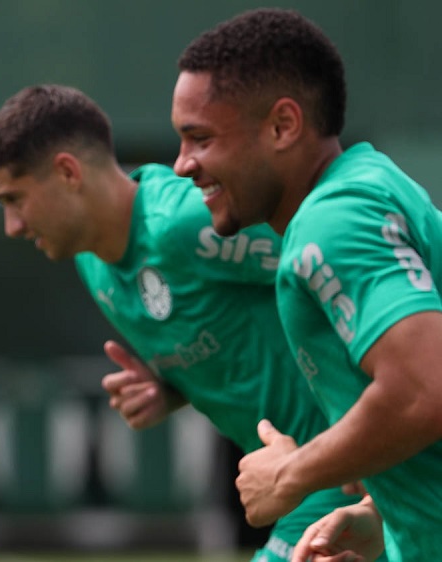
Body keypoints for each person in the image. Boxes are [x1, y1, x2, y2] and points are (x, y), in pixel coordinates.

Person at [0, 84, 368, 562]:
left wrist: (384, 427)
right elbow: (233, 328)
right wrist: (172, 389)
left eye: (15, 199)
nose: (13, 226)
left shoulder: (188, 223)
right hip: (303, 485)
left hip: (350, 470)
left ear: (67, 172)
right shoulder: (92, 263)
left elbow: (357, 259)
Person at [171, 7, 442, 560]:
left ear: (282, 126)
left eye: (199, 138)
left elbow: (424, 387)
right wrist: (381, 521)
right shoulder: (375, 183)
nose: (182, 165)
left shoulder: (332, 221)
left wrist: (292, 474)